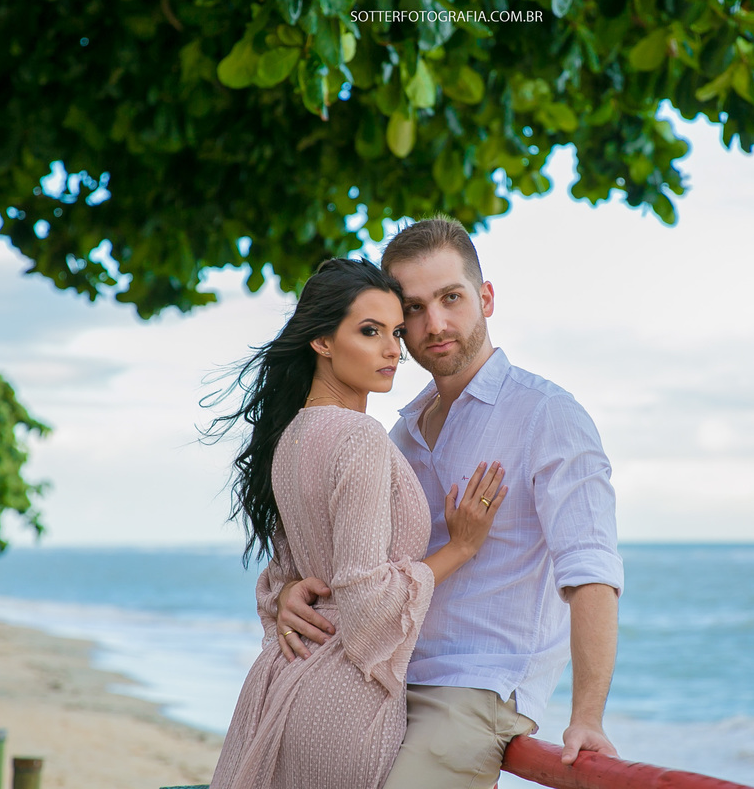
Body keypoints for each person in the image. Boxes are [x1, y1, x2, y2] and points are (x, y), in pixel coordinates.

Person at [276, 216, 625, 788]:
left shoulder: (548, 416)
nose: (434, 324)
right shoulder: (401, 433)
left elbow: (591, 571)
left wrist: (586, 718)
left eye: (451, 298)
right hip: (380, 678)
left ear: (485, 298)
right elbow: (358, 564)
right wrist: (290, 592)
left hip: (475, 686)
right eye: (413, 309)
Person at [207, 258, 507, 789]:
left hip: (282, 685)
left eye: (395, 332)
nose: (393, 349)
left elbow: (288, 577)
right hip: (343, 703)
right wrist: (460, 547)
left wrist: (287, 595)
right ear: (322, 340)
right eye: (370, 332)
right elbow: (365, 600)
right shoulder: (360, 438)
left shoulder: (291, 438)